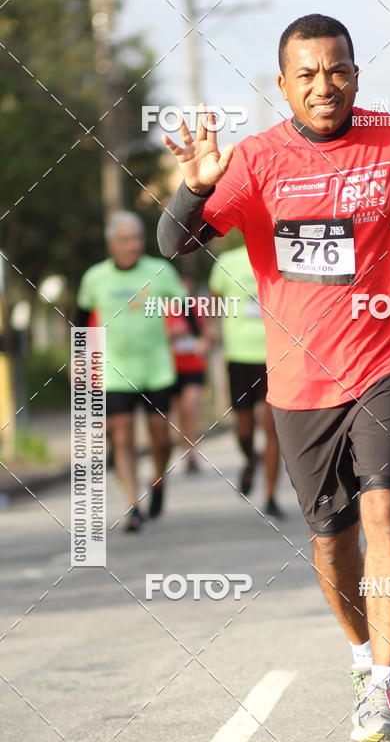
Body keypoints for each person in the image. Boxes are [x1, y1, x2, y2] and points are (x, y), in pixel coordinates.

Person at [157, 13, 390, 742]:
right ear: (284, 84)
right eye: (309, 74)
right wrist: (193, 190)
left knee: (386, 509)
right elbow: (176, 243)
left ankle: (386, 684)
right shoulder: (256, 161)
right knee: (330, 540)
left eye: (340, 70)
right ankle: (360, 658)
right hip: (298, 382)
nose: (327, 85)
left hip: (389, 361)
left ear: (357, 74)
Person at [74, 211, 183, 532]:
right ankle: (133, 505)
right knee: (121, 434)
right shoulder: (95, 277)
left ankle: (158, 482)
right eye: (125, 240)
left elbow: (187, 306)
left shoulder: (160, 271)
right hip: (115, 369)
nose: (133, 245)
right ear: (111, 244)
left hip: (157, 367)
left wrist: (201, 336)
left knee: (161, 440)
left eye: (137, 238)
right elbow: (79, 319)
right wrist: (79, 358)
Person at [208, 244, 284, 518]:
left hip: (276, 354)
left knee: (271, 426)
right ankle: (251, 459)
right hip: (238, 356)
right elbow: (214, 302)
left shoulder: (282, 255)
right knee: (243, 429)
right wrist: (209, 332)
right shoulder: (227, 261)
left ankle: (271, 495)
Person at [165, 284, 211, 474]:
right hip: (171, 368)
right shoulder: (161, 308)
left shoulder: (196, 307)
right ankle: (186, 449)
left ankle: (192, 451)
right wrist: (172, 333)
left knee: (190, 407)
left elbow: (207, 332)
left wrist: (205, 341)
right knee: (178, 414)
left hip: (194, 366)